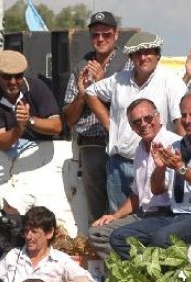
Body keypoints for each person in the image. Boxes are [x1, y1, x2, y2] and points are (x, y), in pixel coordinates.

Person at [109, 92, 191, 258]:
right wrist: (160, 168)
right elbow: (158, 190)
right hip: (176, 215)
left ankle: (160, 279)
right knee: (120, 237)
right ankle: (148, 278)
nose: (188, 120)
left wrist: (181, 168)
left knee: (161, 239)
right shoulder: (176, 146)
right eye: (184, 115)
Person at [86, 31, 186, 213]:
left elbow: (180, 122)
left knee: (153, 221)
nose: (143, 57)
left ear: (158, 55)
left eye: (148, 52)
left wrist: (180, 159)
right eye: (138, 53)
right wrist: (109, 124)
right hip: (119, 163)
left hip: (156, 166)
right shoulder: (119, 79)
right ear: (131, 57)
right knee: (117, 222)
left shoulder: (171, 81)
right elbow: (91, 92)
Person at [88, 98, 181, 259]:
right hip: (143, 214)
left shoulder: (173, 144)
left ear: (158, 117)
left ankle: (141, 272)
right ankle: (138, 270)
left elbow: (164, 190)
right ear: (132, 127)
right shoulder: (139, 148)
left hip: (166, 215)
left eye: (148, 118)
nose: (143, 124)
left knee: (120, 237)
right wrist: (115, 216)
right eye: (137, 122)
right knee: (97, 232)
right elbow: (137, 195)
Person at [63, 11, 130, 224]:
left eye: (106, 34)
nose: (100, 39)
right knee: (97, 210)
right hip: (91, 145)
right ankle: (99, 255)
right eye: (95, 35)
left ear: (116, 35)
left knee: (120, 208)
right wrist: (83, 95)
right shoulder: (80, 66)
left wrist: (102, 84)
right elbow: (68, 118)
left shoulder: (127, 64)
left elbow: (130, 108)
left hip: (120, 145)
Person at [0, 206, 93, 282]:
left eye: (34, 232)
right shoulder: (11, 256)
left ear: (49, 233)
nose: (28, 236)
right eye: (26, 231)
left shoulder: (62, 261)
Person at [0, 50, 62, 151]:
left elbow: (56, 127)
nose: (13, 82)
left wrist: (29, 120)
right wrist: (18, 129)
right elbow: (0, 142)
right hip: (9, 157)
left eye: (18, 76)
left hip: (43, 152)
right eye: (7, 76)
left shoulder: (37, 87)